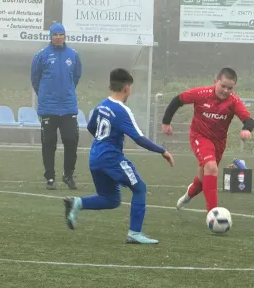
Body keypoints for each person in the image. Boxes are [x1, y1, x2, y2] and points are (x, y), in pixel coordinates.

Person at [63, 68, 174, 244]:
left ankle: (77, 203)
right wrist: (162, 151)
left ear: (110, 86)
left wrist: (104, 140)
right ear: (126, 88)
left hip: (95, 157)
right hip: (111, 158)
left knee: (111, 199)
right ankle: (134, 233)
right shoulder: (122, 110)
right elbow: (138, 138)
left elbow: (92, 127)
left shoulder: (101, 106)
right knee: (140, 188)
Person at [161, 67, 254, 212]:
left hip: (219, 143)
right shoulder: (201, 93)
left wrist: (246, 129)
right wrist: (166, 122)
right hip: (199, 136)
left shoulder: (233, 101)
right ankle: (213, 213)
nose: (225, 90)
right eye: (222, 86)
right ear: (215, 81)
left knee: (203, 179)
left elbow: (248, 119)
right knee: (211, 167)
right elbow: (177, 100)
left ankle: (188, 195)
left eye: (229, 88)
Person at [31, 22, 82, 190]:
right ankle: (50, 177)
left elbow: (76, 77)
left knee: (71, 140)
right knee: (49, 143)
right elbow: (35, 79)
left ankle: (68, 175)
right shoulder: (41, 55)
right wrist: (46, 95)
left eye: (61, 34)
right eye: (55, 34)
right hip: (48, 108)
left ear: (65, 36)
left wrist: (66, 91)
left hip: (68, 107)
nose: (58, 37)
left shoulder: (73, 55)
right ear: (50, 36)